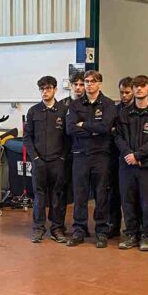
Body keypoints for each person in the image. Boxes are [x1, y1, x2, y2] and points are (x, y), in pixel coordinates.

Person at [65, 70, 117, 248]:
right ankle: (79, 229)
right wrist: (93, 129)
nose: (88, 85)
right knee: (80, 195)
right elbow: (70, 129)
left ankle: (101, 230)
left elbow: (105, 127)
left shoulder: (109, 104)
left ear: (99, 84)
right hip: (80, 155)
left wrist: (84, 125)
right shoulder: (76, 105)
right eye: (86, 81)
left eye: (92, 82)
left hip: (101, 156)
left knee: (101, 194)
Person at [114, 75, 148, 252]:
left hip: (147, 166)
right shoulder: (123, 114)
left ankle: (145, 235)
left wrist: (138, 155)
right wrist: (128, 154)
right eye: (136, 86)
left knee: (147, 202)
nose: (139, 89)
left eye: (143, 86)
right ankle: (131, 235)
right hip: (126, 165)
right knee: (128, 202)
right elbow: (118, 136)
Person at [24, 76, 68, 243]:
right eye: (42, 89)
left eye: (48, 88)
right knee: (39, 196)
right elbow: (27, 138)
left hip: (57, 161)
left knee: (57, 196)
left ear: (55, 89)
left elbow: (67, 138)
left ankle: (57, 229)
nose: (45, 92)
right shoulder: (33, 111)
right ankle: (38, 229)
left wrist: (63, 157)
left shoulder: (63, 111)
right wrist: (35, 158)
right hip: (39, 162)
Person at [106, 76, 134, 239]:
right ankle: (113, 225)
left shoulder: (139, 110)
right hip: (115, 156)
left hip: (133, 158)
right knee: (113, 193)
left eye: (127, 92)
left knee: (131, 195)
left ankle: (134, 228)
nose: (124, 96)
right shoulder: (115, 110)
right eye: (121, 92)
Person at [59, 72, 85, 213]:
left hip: (83, 152)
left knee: (81, 191)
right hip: (65, 153)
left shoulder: (89, 106)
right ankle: (59, 225)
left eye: (82, 85)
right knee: (62, 189)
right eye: (76, 84)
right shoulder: (62, 105)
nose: (78, 88)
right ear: (70, 86)